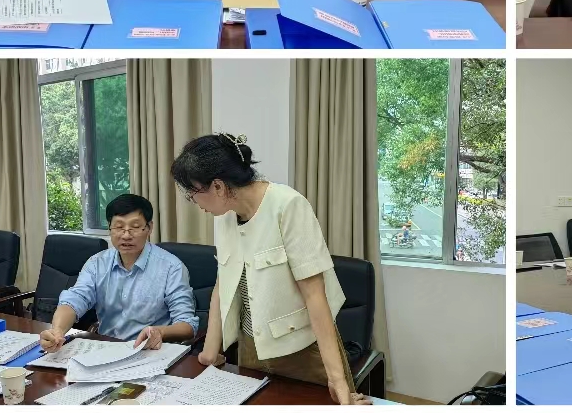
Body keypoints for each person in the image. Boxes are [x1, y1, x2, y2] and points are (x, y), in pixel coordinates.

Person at [173, 133, 370, 405]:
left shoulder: (287, 205)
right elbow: (224, 282)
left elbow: (315, 295)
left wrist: (337, 380)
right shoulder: (224, 215)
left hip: (303, 349)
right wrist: (210, 350)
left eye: (193, 193)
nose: (194, 202)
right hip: (252, 348)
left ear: (217, 186)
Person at [40, 194, 197, 352]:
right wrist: (57, 331)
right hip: (106, 349)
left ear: (149, 228)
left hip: (150, 351)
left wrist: (160, 332)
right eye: (119, 227)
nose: (126, 235)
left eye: (135, 227)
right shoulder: (97, 263)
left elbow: (187, 325)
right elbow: (74, 301)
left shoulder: (171, 267)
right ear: (110, 228)